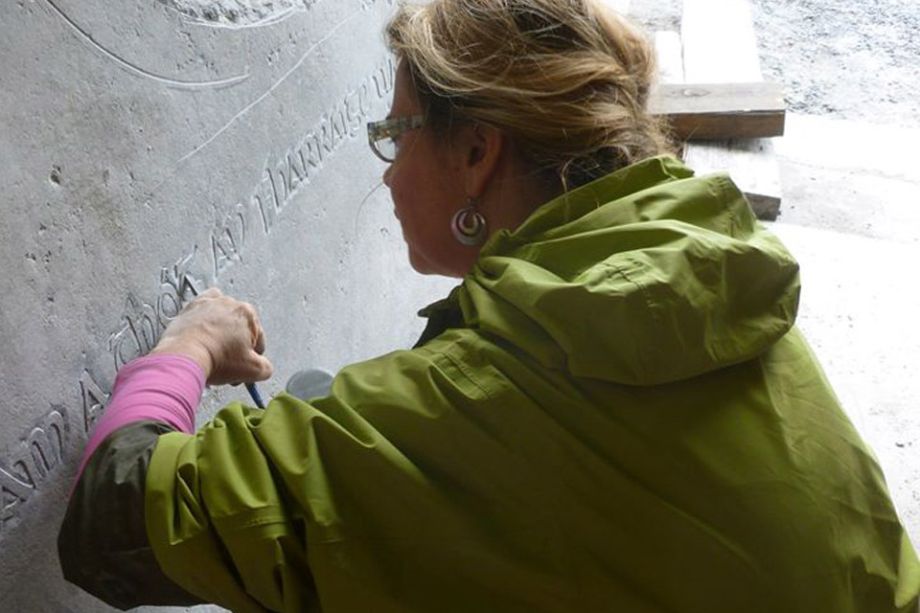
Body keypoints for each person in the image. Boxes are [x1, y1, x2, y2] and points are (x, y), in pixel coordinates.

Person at [59, 0, 919, 611]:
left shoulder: (478, 397)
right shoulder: (707, 276)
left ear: (477, 152)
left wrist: (188, 346)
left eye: (396, 134)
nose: (388, 174)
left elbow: (112, 517)